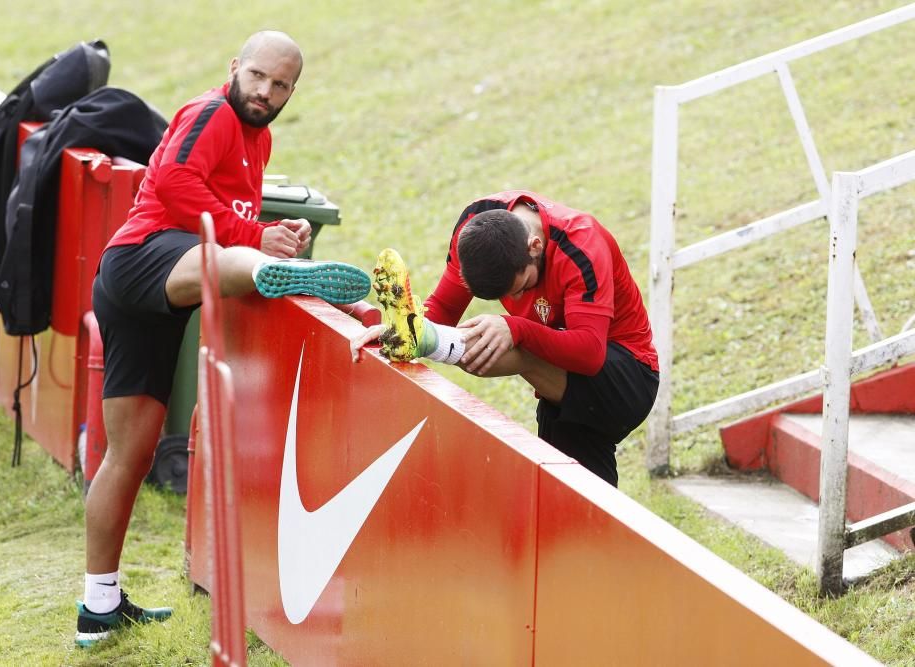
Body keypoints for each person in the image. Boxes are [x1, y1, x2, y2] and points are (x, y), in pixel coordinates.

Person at [77, 31, 370, 647]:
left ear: (294, 89)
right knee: (235, 257)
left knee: (129, 455)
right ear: (235, 67)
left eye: (281, 84)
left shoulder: (260, 138)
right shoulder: (210, 112)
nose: (266, 91)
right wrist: (253, 239)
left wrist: (270, 228)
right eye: (259, 76)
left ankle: (97, 607)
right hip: (141, 259)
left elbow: (227, 209)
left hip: (153, 291)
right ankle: (279, 277)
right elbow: (179, 184)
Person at [351, 190, 658, 488]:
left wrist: (517, 328)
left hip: (627, 376)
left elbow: (589, 354)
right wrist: (398, 330)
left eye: (521, 287)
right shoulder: (477, 226)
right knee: (574, 507)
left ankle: (429, 340)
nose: (517, 298)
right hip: (560, 386)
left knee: (513, 346)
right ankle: (419, 336)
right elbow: (444, 308)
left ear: (535, 246)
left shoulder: (581, 244)